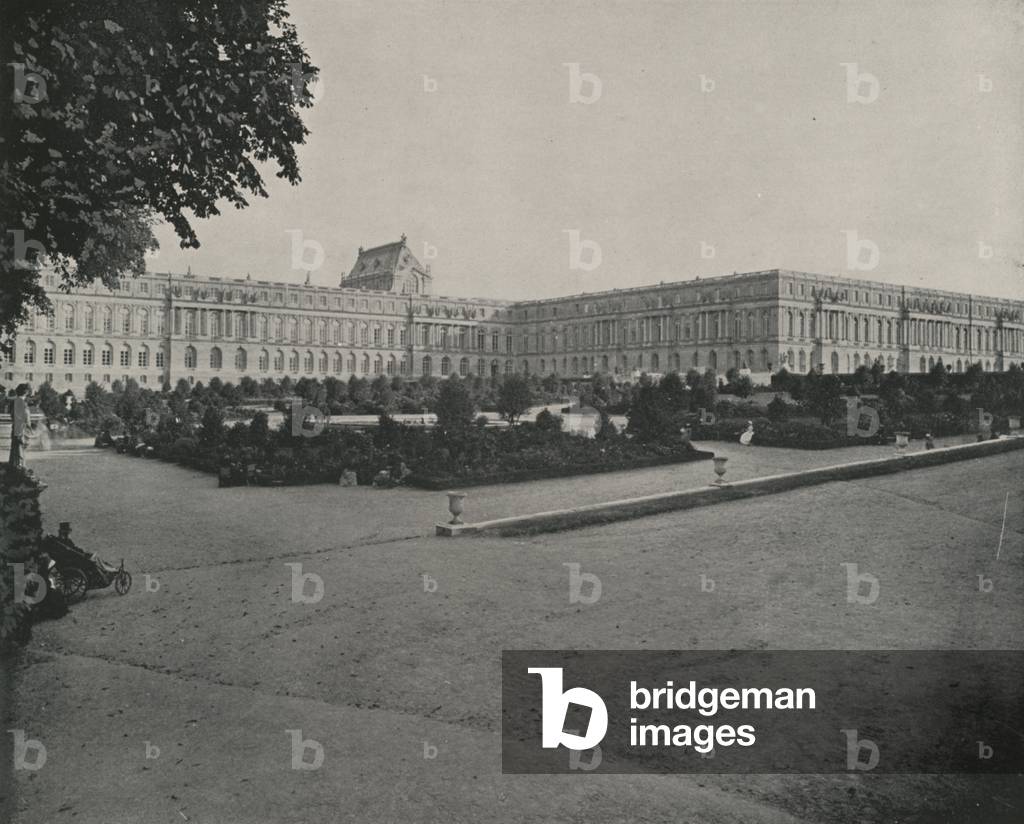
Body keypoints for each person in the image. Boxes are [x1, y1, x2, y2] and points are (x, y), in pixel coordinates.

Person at [8, 383, 30, 468]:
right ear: (26, 392)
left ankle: (15, 468)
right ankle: (19, 469)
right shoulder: (21, 403)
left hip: (16, 429)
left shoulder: (15, 402)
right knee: (20, 451)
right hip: (21, 430)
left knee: (15, 451)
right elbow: (23, 419)